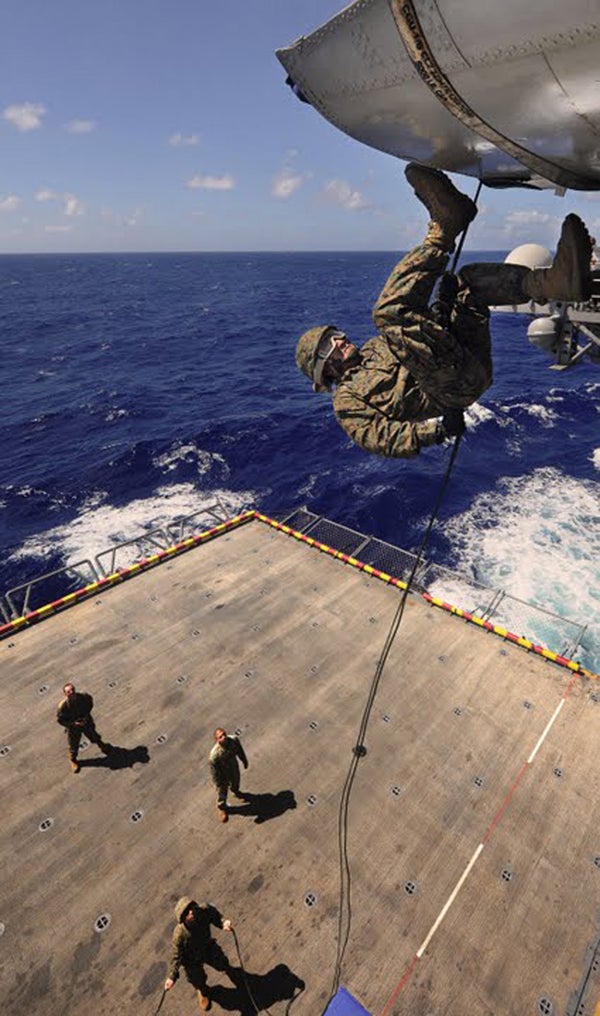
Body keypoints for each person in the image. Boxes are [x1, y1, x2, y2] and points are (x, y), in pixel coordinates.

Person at [295, 163, 593, 458]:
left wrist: (442, 308)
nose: (340, 338)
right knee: (388, 314)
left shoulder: (375, 349)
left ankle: (553, 283)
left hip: (462, 357)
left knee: (468, 283)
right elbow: (381, 439)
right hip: (453, 390)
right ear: (325, 367)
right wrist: (438, 430)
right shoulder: (347, 401)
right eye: (329, 344)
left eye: (335, 334)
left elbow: (420, 342)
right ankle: (443, 229)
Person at [164, 896, 236, 1012]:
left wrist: (223, 923)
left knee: (222, 962)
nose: (191, 912)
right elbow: (176, 956)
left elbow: (215, 916)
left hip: (207, 947)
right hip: (191, 960)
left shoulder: (204, 910)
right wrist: (172, 977)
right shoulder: (179, 934)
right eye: (186, 912)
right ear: (183, 918)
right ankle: (203, 991)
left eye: (191, 908)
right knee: (197, 979)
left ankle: (228, 970)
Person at [56, 682, 112, 773]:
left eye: (73, 690)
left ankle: (103, 746)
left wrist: (86, 716)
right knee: (74, 745)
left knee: (94, 736)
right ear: (65, 694)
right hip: (74, 728)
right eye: (69, 692)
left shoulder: (83, 697)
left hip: (86, 722)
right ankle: (73, 760)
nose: (72, 692)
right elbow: (61, 720)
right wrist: (74, 724)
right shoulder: (63, 707)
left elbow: (90, 703)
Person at [209, 727, 248, 823]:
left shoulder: (233, 740)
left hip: (233, 767)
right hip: (222, 773)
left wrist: (244, 760)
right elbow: (214, 772)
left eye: (224, 734)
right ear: (217, 740)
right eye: (220, 736)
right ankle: (222, 807)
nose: (224, 737)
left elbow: (240, 750)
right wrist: (219, 783)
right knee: (222, 793)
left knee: (236, 781)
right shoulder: (214, 755)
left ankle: (235, 791)